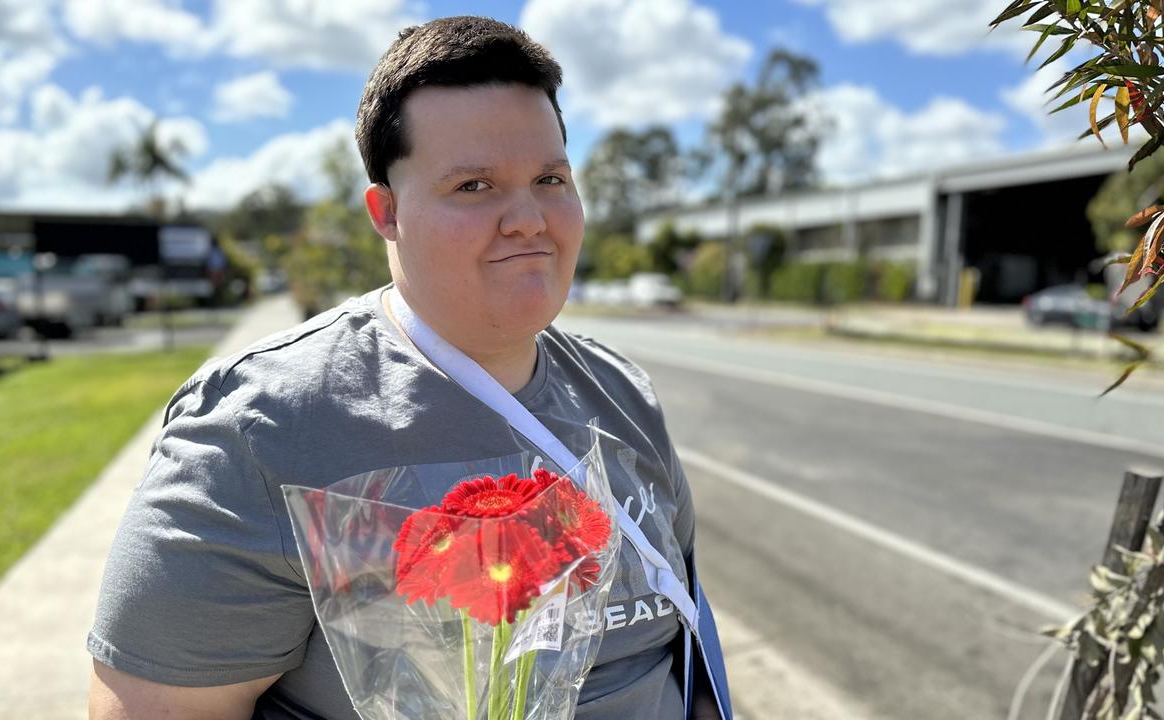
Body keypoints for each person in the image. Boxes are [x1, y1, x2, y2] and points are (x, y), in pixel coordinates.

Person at [88, 15, 726, 719]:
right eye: (475, 186)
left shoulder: (622, 393)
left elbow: (688, 650)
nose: (528, 218)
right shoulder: (262, 426)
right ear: (385, 213)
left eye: (550, 178)